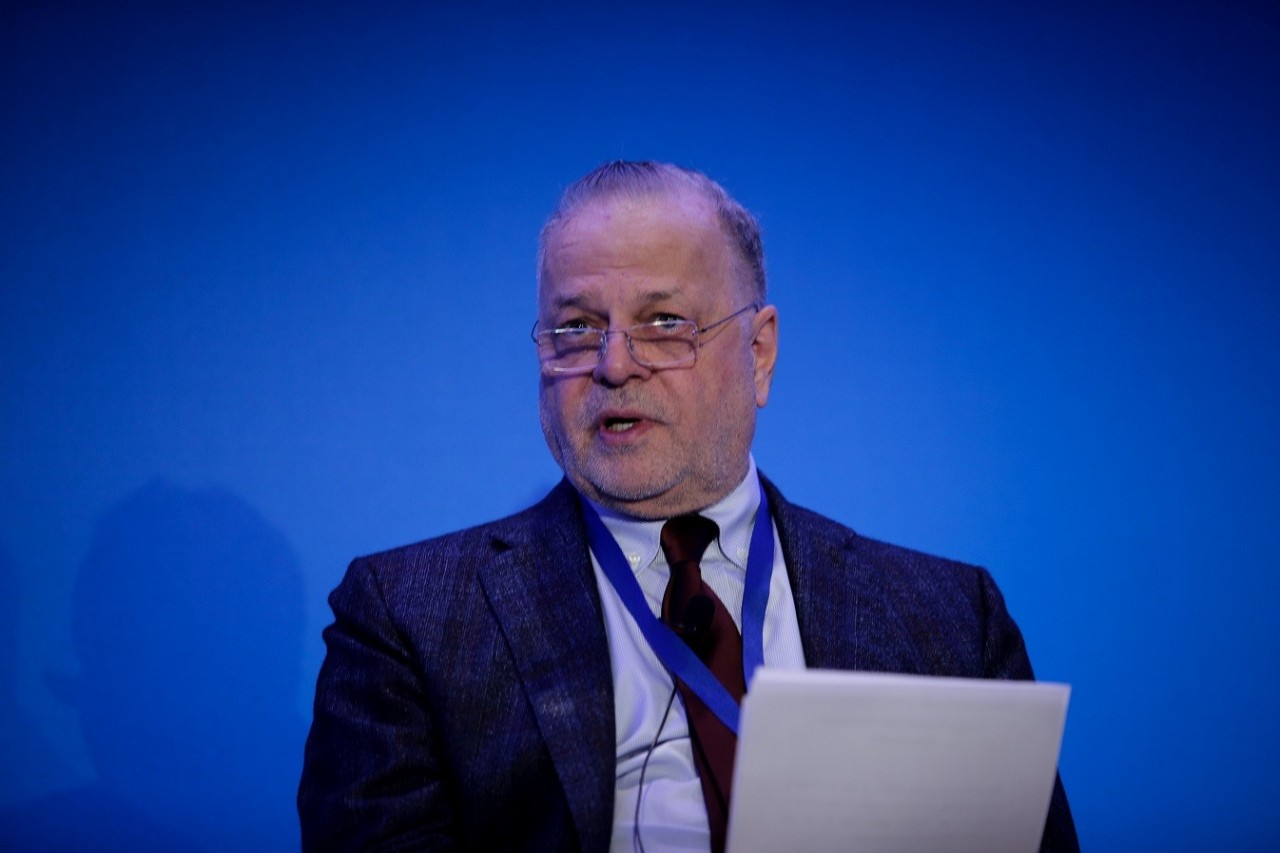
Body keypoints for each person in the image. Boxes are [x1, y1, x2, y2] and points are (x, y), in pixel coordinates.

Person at [298, 161, 1078, 852]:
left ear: (759, 354)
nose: (613, 365)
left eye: (664, 323)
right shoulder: (409, 617)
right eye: (576, 328)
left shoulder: (949, 617)